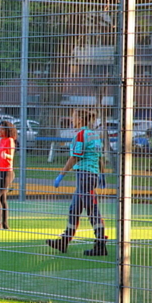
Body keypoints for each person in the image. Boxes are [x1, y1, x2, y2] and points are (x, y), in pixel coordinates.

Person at [47, 109, 108, 256]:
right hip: (91, 175)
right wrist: (101, 174)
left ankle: (100, 243)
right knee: (74, 209)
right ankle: (64, 241)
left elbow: (74, 157)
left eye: (73, 117)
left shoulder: (81, 135)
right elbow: (99, 157)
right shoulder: (94, 135)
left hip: (84, 176)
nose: (71, 120)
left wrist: (61, 175)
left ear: (80, 119)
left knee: (92, 209)